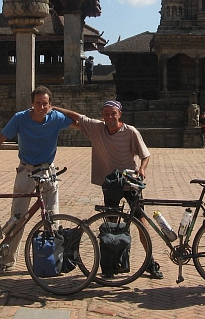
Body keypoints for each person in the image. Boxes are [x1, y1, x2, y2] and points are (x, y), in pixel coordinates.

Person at [53, 99, 163, 279]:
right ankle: (111, 263)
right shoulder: (97, 128)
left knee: (140, 221)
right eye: (106, 114)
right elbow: (76, 118)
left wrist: (142, 169)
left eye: (113, 113)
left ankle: (150, 261)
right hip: (111, 183)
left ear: (120, 114)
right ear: (102, 115)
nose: (110, 117)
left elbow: (145, 155)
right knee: (111, 224)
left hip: (130, 182)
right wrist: (51, 107)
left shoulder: (130, 132)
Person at [0, 85, 75, 274]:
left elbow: (78, 121)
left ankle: (53, 261)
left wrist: (58, 109)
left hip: (47, 173)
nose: (41, 107)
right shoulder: (20, 118)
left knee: (52, 218)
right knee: (17, 218)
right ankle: (7, 260)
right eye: (38, 103)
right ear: (32, 103)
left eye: (45, 104)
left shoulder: (56, 118)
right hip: (25, 171)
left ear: (50, 105)